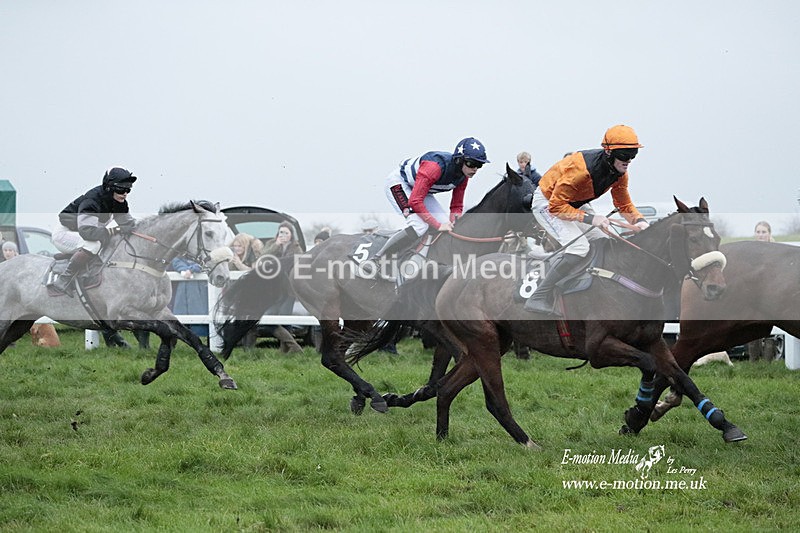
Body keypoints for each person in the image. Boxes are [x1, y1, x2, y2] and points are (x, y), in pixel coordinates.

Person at [524, 125, 650, 316]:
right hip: (548, 203)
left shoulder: (620, 174)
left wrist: (639, 220)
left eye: (633, 154)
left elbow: (623, 204)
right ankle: (539, 296)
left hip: (575, 202)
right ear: (609, 152)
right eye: (625, 154)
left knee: (602, 242)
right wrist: (592, 218)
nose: (629, 160)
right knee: (579, 248)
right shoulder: (581, 171)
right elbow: (556, 207)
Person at [369, 137, 489, 261]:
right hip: (400, 184)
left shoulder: (464, 176)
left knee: (447, 227)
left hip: (420, 191)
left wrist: (454, 223)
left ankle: (423, 259)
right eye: (471, 163)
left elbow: (456, 206)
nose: (475, 169)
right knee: (419, 226)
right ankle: (378, 258)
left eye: (479, 165)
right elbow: (415, 202)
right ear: (459, 160)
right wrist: (437, 225)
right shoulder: (434, 168)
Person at [50, 167, 137, 296]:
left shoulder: (119, 201)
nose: (125, 193)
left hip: (84, 234)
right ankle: (64, 280)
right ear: (109, 187)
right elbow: (87, 232)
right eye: (121, 189)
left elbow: (130, 225)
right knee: (93, 245)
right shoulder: (92, 201)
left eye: (128, 189)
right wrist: (115, 230)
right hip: (64, 234)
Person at [262, 222, 304, 353]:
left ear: (291, 235)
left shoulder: (296, 248)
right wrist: (276, 245)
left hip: (288, 290)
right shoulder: (271, 244)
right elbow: (263, 257)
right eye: (281, 232)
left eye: (286, 232)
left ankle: (284, 350)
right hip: (272, 290)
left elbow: (298, 262)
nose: (283, 235)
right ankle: (294, 346)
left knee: (285, 319)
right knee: (268, 319)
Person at [168, 256, 209, 339]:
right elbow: (176, 262)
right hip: (182, 291)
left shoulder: (201, 253)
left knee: (199, 311)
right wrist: (184, 270)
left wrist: (191, 270)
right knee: (181, 314)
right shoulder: (179, 255)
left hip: (200, 291)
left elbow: (203, 264)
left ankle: (200, 335)